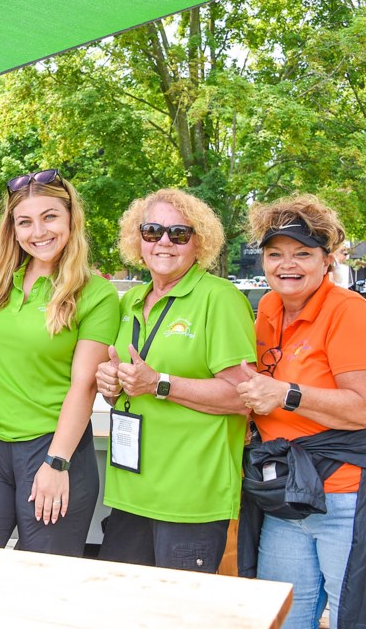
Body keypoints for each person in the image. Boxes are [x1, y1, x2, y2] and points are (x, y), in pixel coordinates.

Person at [236, 194, 366, 629]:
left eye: (302, 254)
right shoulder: (270, 307)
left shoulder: (349, 312)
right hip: (287, 495)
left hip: (346, 497)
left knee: (360, 617)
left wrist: (287, 395)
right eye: (276, 254)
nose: (287, 265)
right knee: (283, 616)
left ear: (326, 260)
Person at [0, 170, 119, 556]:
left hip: (50, 450)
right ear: (13, 229)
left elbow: (84, 386)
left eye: (50, 216)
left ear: (72, 218)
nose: (38, 231)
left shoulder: (95, 294)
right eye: (25, 221)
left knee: (42, 583)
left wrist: (57, 464)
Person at [94, 188, 256, 572]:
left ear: (199, 243)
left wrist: (160, 383)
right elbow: (130, 387)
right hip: (130, 492)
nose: (164, 241)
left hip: (190, 500)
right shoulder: (129, 302)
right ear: (138, 240)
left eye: (179, 234)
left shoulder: (220, 298)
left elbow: (244, 396)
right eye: (152, 231)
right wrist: (112, 384)